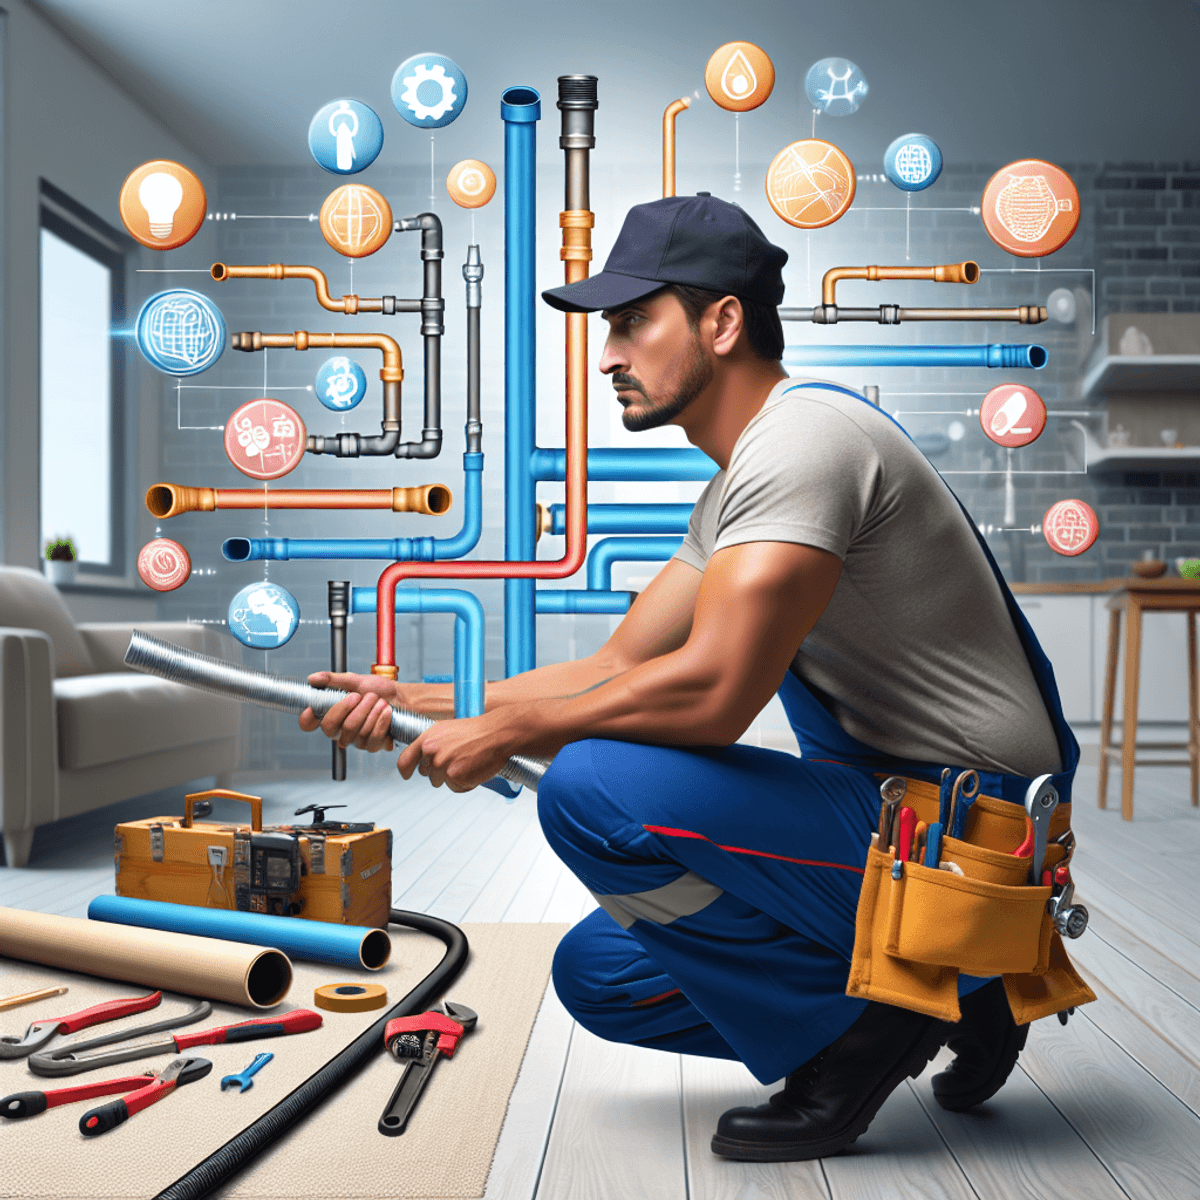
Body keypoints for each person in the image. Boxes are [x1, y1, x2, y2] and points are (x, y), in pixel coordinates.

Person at [299, 193, 1078, 1162]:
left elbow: (710, 697)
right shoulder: (743, 481)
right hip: (886, 811)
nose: (608, 353)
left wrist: (499, 736)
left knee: (590, 787)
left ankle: (874, 1033)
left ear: (721, 320)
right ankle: (966, 992)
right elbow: (619, 664)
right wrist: (427, 705)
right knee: (605, 976)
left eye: (631, 321)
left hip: (972, 834)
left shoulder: (805, 446)